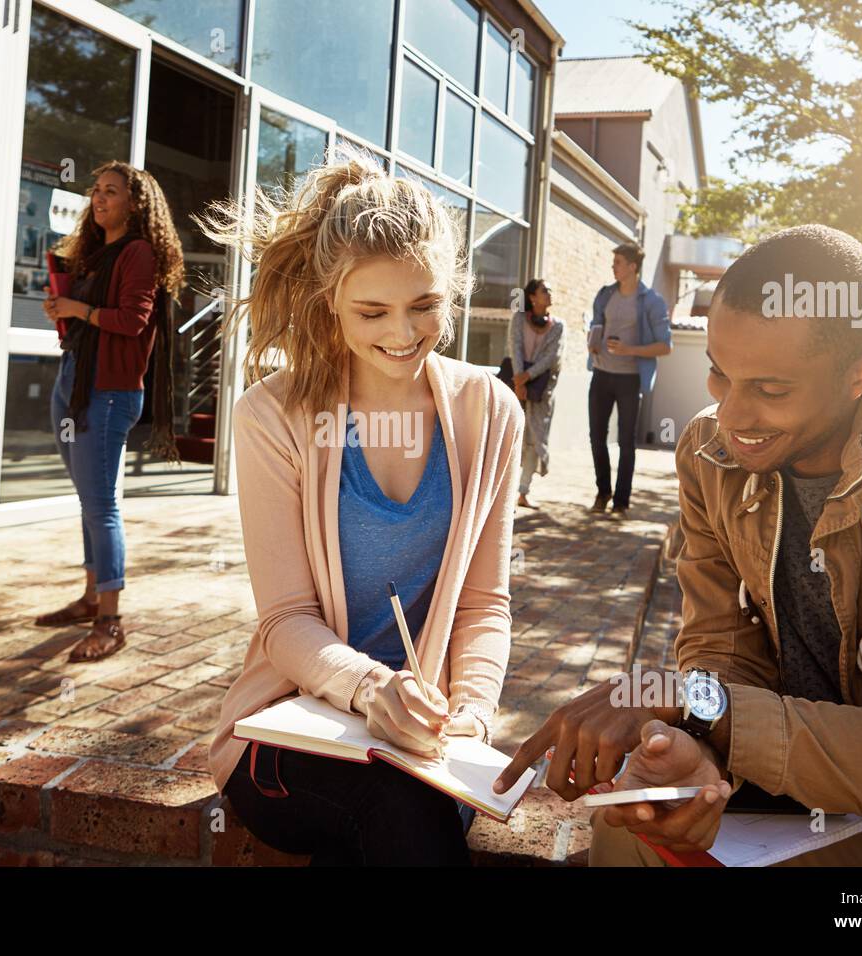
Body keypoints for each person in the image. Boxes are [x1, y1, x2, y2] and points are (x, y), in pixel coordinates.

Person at [496, 225, 862, 866]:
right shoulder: (708, 451)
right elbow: (721, 651)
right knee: (630, 825)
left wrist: (700, 703)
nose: (733, 416)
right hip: (788, 791)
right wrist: (701, 760)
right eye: (719, 374)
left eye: (771, 390)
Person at [199, 149, 523, 866]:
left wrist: (469, 717)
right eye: (372, 311)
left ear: (455, 292)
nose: (403, 333)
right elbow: (285, 621)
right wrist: (373, 689)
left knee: (402, 813)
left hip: (420, 745)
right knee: (398, 812)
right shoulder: (272, 416)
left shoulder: (489, 410)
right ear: (329, 301)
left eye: (426, 305)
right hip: (284, 732)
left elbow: (483, 607)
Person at [31, 162, 185, 662]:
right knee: (88, 499)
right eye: (95, 191)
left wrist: (80, 311)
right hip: (74, 382)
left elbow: (133, 319)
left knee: (102, 506)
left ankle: (110, 621)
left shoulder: (138, 252)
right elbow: (90, 318)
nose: (98, 199)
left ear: (135, 204)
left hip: (110, 391)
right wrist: (63, 309)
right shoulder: (97, 253)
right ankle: (91, 596)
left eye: (111, 192)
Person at [586, 243, 671, 520]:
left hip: (629, 379)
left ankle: (621, 500)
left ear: (633, 267)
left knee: (626, 441)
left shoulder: (651, 301)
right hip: (601, 373)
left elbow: (664, 346)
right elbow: (596, 326)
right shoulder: (605, 295)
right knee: (597, 437)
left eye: (619, 262)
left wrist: (629, 350)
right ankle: (603, 492)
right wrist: (593, 343)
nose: (614, 267)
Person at [507, 278, 563, 508]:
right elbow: (515, 346)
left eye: (550, 290)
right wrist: (519, 379)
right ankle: (504, 490)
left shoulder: (558, 325)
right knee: (511, 437)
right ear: (532, 297)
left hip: (541, 389)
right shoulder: (519, 318)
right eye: (544, 291)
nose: (549, 294)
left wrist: (527, 377)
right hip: (515, 382)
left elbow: (552, 357)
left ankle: (523, 491)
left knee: (534, 440)